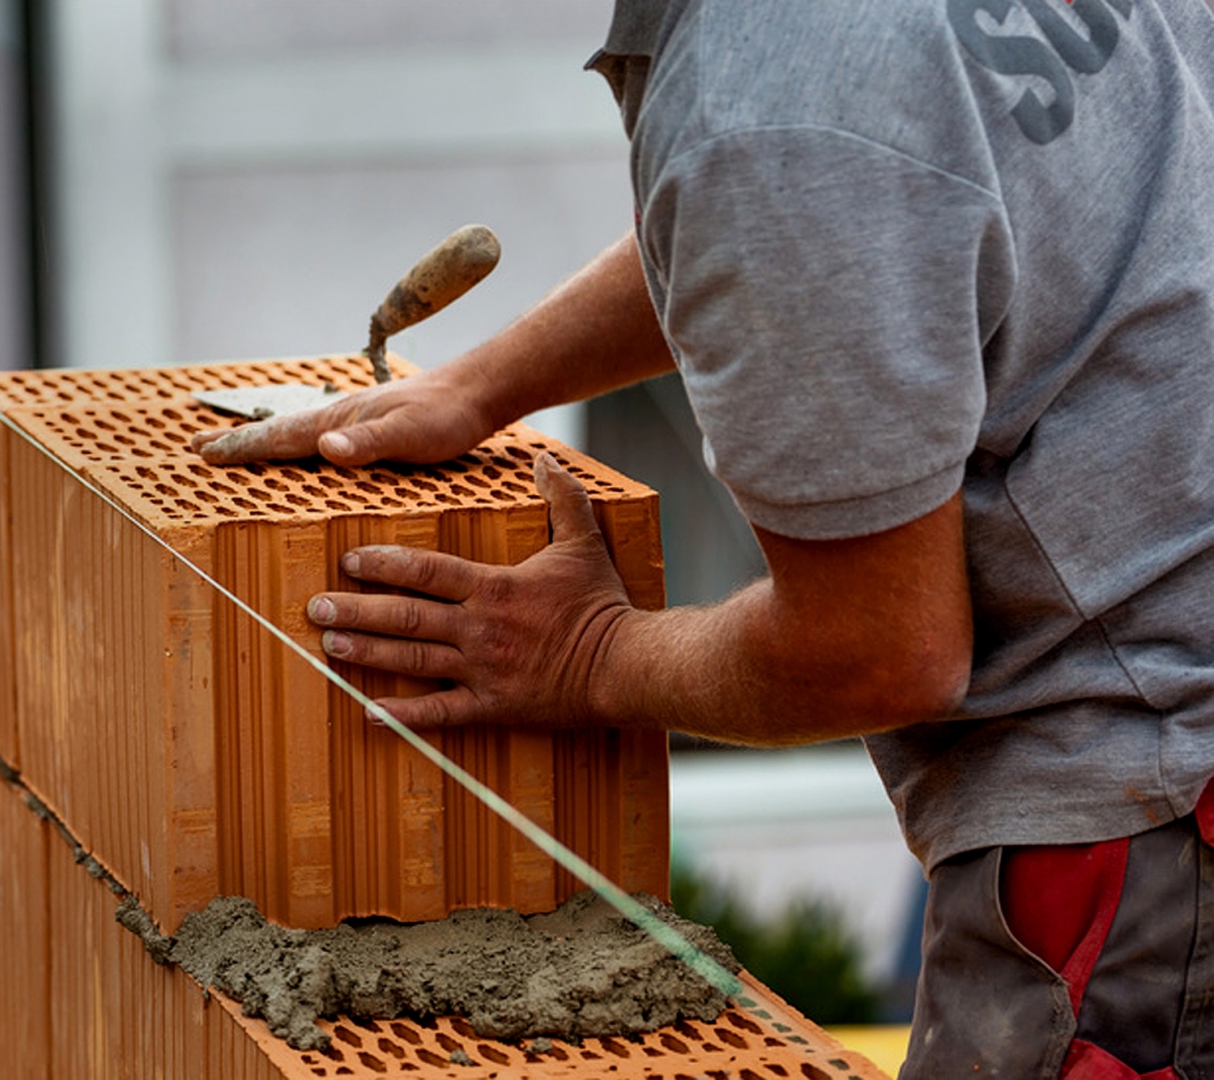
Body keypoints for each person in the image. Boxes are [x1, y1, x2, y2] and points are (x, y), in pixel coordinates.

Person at [191, 1, 1214, 1075]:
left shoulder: (767, 99)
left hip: (1155, 825)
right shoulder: (800, 94)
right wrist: (482, 386)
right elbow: (836, 213)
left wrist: (587, 655)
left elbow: (881, 649)